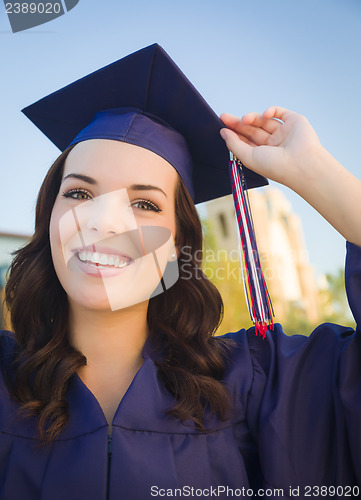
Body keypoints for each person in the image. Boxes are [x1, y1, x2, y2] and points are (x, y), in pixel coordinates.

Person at [1, 44, 360, 500]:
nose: (104, 221)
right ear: (48, 217)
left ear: (177, 246)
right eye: (78, 194)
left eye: (145, 204)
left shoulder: (254, 384)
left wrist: (314, 171)